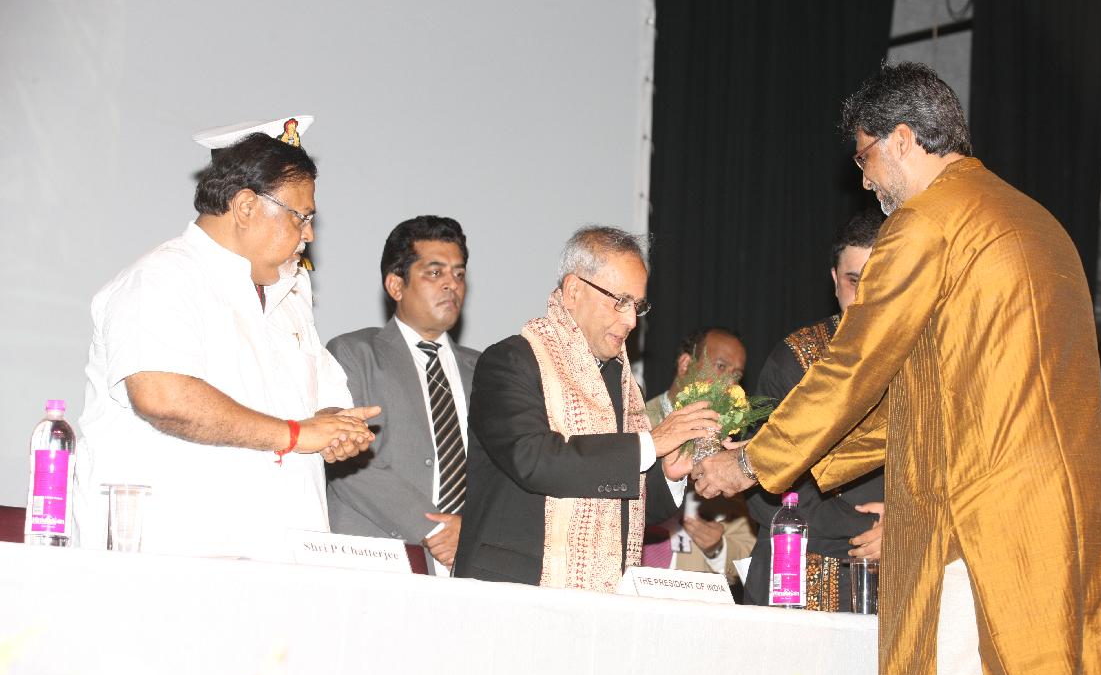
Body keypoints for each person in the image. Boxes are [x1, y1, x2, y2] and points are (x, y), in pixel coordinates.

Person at [694, 62, 1101, 675]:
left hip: (987, 527)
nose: (865, 180)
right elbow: (934, 396)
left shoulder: (926, 221)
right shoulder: (1037, 221)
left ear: (902, 139)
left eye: (864, 157)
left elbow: (854, 365)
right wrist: (802, 461)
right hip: (1077, 524)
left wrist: (753, 462)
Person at [75, 130, 378, 561]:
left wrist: (334, 428)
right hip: (179, 555)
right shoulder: (161, 278)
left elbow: (320, 405)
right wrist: (294, 434)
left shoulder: (289, 296)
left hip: (284, 556)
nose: (309, 234)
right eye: (300, 217)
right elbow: (163, 398)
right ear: (246, 206)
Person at [453, 226, 719, 592]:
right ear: (574, 290)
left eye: (638, 306)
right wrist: (649, 444)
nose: (631, 321)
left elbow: (631, 509)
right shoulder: (511, 361)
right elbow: (534, 460)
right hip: (512, 591)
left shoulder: (624, 386)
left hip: (601, 602)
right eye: (620, 301)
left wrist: (669, 476)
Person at [744, 208, 886, 611]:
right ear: (834, 280)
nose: (864, 296)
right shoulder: (795, 358)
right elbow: (762, 485)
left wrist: (910, 526)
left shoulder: (928, 365)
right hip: (801, 580)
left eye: (878, 280)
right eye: (854, 280)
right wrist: (878, 529)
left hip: (902, 583)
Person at [326, 216, 479, 573]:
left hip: (468, 563)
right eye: (435, 273)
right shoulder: (354, 354)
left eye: (459, 274)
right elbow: (345, 460)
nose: (452, 285)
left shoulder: (485, 369)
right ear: (396, 285)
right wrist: (435, 529)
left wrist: (471, 529)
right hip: (378, 562)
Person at [644, 327, 756, 584]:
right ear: (686, 364)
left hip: (695, 598)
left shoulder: (726, 453)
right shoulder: (633, 426)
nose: (729, 383)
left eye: (736, 375)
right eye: (720, 366)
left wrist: (717, 548)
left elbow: (747, 549)